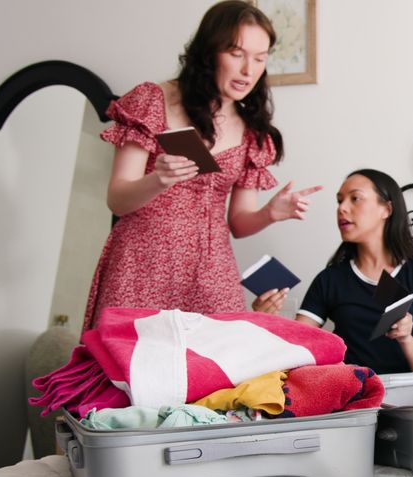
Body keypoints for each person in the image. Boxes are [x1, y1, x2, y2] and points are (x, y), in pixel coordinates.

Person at [83, 0, 320, 330]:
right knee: (130, 367)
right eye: (236, 54)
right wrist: (158, 179)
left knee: (218, 372)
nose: (248, 70)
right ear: (210, 52)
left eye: (260, 58)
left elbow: (238, 222)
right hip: (142, 261)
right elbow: (118, 199)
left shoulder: (253, 131)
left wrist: (270, 213)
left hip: (211, 270)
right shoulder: (153, 100)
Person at [253, 169, 413, 374]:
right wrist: (266, 320)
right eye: (339, 201)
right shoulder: (330, 279)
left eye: (355, 198)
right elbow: (296, 348)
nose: (342, 208)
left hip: (403, 395)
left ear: (387, 209)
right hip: (347, 391)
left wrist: (406, 338)